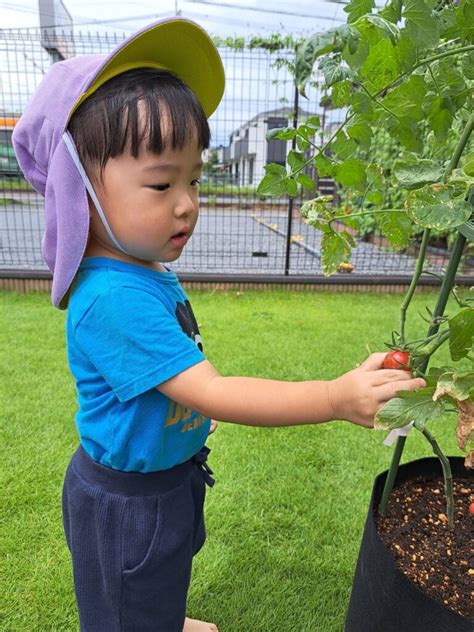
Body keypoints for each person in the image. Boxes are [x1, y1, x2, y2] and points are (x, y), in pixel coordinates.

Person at [12, 16, 426, 632]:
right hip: (130, 503)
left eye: (194, 179)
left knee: (157, 581)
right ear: (80, 194)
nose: (187, 203)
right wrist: (334, 398)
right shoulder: (112, 299)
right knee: (125, 603)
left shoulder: (143, 270)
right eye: (160, 183)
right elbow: (213, 391)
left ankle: (162, 618)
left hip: (167, 479)